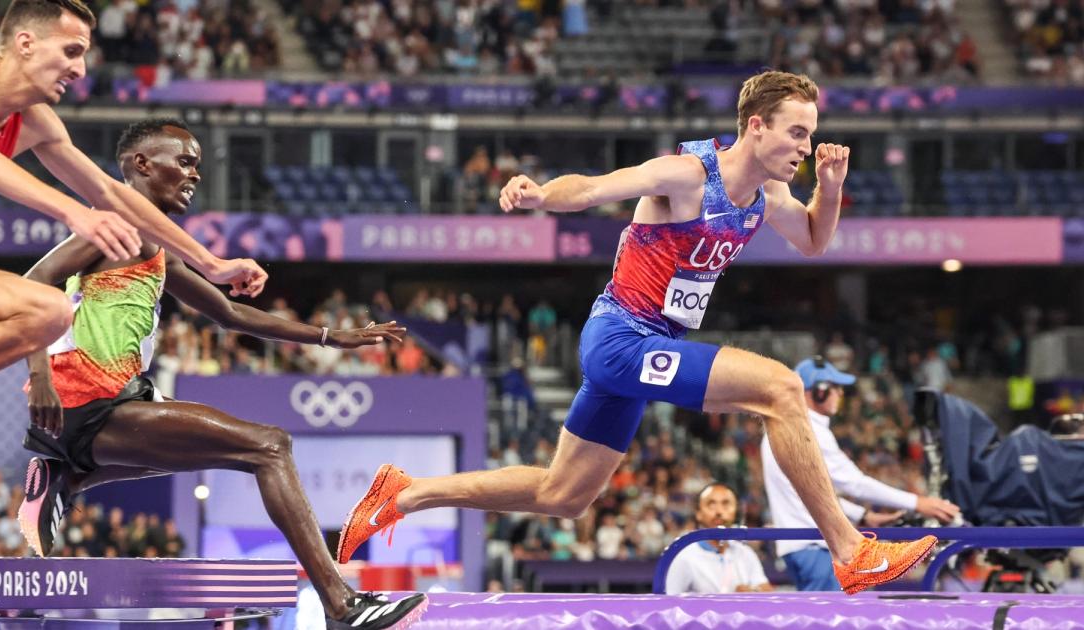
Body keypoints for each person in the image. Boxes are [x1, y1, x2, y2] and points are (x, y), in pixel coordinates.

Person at [338, 70, 937, 595]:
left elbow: (812, 241)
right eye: (797, 133)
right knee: (781, 389)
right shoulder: (687, 175)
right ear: (756, 126)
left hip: (650, 348)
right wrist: (540, 193)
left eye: (810, 135)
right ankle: (849, 550)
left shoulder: (769, 193)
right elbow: (594, 187)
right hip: (621, 339)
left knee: (563, 496)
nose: (805, 147)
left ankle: (404, 494)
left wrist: (830, 187)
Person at [16, 118, 425, 629]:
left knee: (223, 450)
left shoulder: (154, 246)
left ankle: (67, 475)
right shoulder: (116, 222)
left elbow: (228, 313)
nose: (195, 174)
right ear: (142, 164)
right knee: (269, 446)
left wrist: (329, 336)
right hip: (85, 401)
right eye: (184, 161)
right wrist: (40, 375)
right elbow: (34, 281)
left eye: (198, 166)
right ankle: (341, 605)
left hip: (117, 401)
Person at [0, 0, 266, 501]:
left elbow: (110, 193)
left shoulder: (35, 122)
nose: (80, 69)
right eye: (71, 51)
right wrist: (74, 213)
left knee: (49, 311)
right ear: (25, 43)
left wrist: (211, 263)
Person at [762, 357, 961, 591]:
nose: (840, 393)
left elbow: (808, 493)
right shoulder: (809, 431)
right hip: (816, 547)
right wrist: (918, 502)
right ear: (818, 391)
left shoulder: (782, 429)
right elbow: (855, 483)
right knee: (831, 614)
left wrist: (862, 515)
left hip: (800, 547)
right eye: (834, 387)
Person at [664, 483, 772, 594]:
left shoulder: (745, 553)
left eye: (726, 504)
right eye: (711, 505)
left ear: (736, 511)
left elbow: (766, 588)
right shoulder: (684, 556)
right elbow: (670, 599)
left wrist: (751, 591)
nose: (719, 511)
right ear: (698, 513)